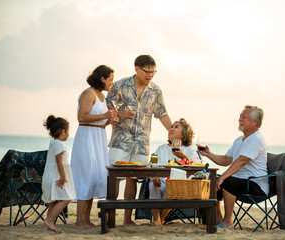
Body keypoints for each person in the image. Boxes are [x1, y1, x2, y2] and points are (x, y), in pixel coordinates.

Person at [106, 55, 172, 225]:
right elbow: (107, 103)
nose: (150, 75)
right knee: (115, 178)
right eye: (147, 71)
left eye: (153, 72)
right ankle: (109, 217)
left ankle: (127, 219)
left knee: (133, 179)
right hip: (121, 139)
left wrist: (172, 133)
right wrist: (119, 113)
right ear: (136, 68)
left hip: (142, 143)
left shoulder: (156, 90)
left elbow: (162, 113)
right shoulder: (120, 85)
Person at [198, 105, 268, 229]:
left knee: (228, 181)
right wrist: (209, 154)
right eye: (240, 116)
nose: (240, 119)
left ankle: (228, 221)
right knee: (210, 180)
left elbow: (241, 161)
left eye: (243, 117)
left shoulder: (256, 139)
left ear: (254, 121)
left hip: (255, 184)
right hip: (240, 181)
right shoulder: (239, 140)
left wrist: (223, 178)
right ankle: (217, 220)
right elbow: (226, 160)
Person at [70, 65, 118, 228]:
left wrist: (108, 121)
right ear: (102, 78)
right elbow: (82, 117)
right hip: (86, 137)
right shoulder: (88, 93)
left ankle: (86, 219)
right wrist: (105, 115)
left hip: (98, 136)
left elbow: (99, 121)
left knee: (94, 177)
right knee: (86, 175)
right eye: (110, 79)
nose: (112, 83)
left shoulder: (102, 97)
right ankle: (79, 221)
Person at [150, 118, 199, 225]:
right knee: (153, 186)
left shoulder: (189, 150)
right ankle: (156, 219)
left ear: (183, 134)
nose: (171, 129)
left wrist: (185, 158)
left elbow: (198, 169)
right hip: (161, 181)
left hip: (179, 185)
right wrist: (154, 177)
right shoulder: (161, 149)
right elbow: (152, 165)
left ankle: (159, 221)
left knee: (172, 187)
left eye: (176, 127)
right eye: (171, 126)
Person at [42, 115, 76, 233]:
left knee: (53, 202)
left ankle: (49, 223)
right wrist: (63, 176)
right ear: (63, 131)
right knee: (67, 198)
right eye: (68, 131)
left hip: (50, 177)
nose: (68, 134)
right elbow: (59, 162)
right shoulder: (59, 145)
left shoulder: (53, 143)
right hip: (55, 177)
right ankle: (50, 220)